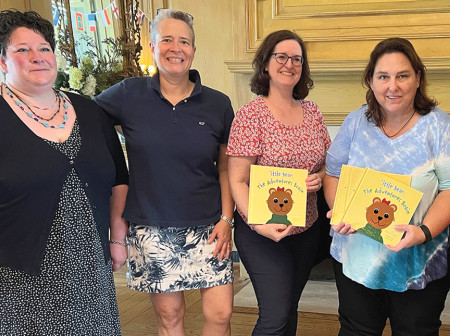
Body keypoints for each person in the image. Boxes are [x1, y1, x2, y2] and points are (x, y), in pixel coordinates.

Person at [94, 8, 235, 336]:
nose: (176, 47)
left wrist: (227, 219)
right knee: (170, 319)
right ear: (152, 47)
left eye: (184, 41)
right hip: (152, 228)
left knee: (221, 313)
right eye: (167, 39)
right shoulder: (128, 94)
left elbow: (227, 166)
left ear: (194, 51)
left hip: (210, 226)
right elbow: (84, 118)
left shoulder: (218, 103)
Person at [0, 9, 129, 335]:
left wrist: (117, 237)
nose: (37, 57)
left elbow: (119, 177)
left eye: (44, 48)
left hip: (90, 267)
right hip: (18, 271)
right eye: (22, 50)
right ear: (3, 62)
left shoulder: (89, 110)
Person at [324, 37, 450, 336]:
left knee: (416, 331)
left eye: (402, 75)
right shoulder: (356, 122)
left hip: (418, 261)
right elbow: (333, 174)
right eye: (383, 77)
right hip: (356, 255)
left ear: (417, 78)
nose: (392, 86)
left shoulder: (439, 126)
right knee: (356, 330)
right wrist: (339, 210)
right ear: (371, 80)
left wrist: (423, 232)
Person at [227, 30, 331, 335]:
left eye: (297, 59)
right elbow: (237, 180)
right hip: (261, 233)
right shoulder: (250, 115)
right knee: (274, 317)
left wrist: (319, 178)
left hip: (305, 228)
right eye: (281, 57)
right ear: (266, 63)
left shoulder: (312, 112)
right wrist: (260, 226)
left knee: (288, 310)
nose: (290, 64)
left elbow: (325, 164)